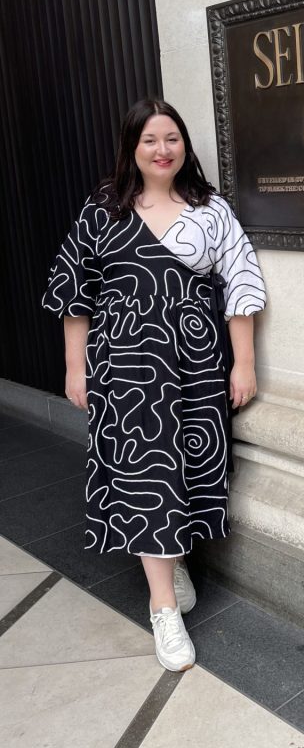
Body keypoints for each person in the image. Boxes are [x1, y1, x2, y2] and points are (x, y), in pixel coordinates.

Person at [43, 98, 266, 672]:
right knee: (145, 478)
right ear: (132, 149)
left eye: (172, 139)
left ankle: (172, 561)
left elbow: (241, 282)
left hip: (193, 367)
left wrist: (243, 363)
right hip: (126, 371)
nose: (162, 150)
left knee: (184, 472)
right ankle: (163, 609)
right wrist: (75, 367)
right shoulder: (104, 209)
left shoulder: (208, 209)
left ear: (184, 146)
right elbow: (74, 291)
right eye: (150, 140)